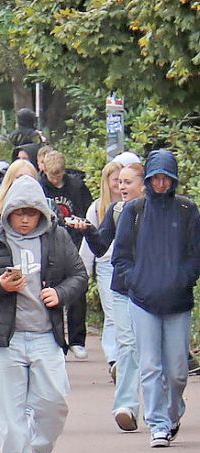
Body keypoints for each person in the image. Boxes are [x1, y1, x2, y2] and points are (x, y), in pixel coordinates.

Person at [0, 175, 88, 453]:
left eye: (32, 213)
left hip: (46, 333)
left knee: (55, 401)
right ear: (9, 212)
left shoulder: (57, 237)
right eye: (20, 213)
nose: (26, 219)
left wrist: (60, 293)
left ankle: (41, 447)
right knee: (9, 408)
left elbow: (79, 275)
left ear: (42, 213)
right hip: (5, 336)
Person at [112, 150, 200, 448]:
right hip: (142, 301)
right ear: (148, 179)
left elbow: (195, 256)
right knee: (150, 365)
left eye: (166, 178)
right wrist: (136, 281)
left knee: (177, 370)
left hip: (177, 301)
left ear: (173, 180)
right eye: (156, 178)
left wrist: (183, 278)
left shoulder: (188, 210)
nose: (161, 183)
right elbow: (120, 257)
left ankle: (173, 413)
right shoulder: (133, 212)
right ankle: (157, 423)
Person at [66, 162, 146, 432]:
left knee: (154, 352)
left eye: (128, 182)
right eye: (119, 182)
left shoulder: (159, 212)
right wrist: (88, 230)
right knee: (126, 346)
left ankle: (167, 408)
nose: (121, 187)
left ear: (143, 185)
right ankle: (126, 406)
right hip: (123, 287)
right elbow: (101, 248)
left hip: (154, 291)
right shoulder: (116, 211)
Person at [40, 150, 93, 359]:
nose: (55, 180)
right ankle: (57, 340)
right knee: (52, 292)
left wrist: (81, 224)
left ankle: (77, 339)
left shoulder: (77, 187)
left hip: (75, 241)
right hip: (51, 243)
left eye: (58, 176)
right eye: (51, 176)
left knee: (77, 291)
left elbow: (88, 212)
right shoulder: (39, 186)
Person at [77, 161, 123, 376]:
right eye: (116, 180)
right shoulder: (97, 207)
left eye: (123, 180)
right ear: (107, 182)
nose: (119, 184)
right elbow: (89, 243)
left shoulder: (133, 203)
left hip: (128, 264)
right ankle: (114, 359)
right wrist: (82, 273)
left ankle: (126, 357)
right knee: (112, 313)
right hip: (106, 263)